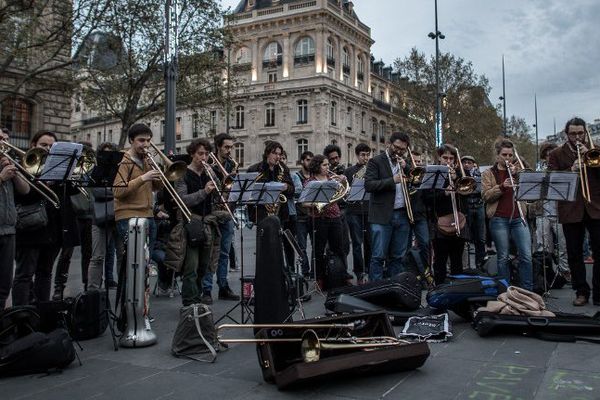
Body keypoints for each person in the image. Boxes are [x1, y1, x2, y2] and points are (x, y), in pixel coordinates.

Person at [13, 131, 80, 305]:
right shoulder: (24, 164)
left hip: (54, 228)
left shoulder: (60, 166)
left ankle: (42, 313)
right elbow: (23, 197)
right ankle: (21, 315)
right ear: (33, 145)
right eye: (44, 145)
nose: (48, 149)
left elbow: (72, 193)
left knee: (45, 272)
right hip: (32, 227)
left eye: (51, 146)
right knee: (25, 274)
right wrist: (43, 181)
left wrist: (71, 176)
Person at [548, 117, 600, 306]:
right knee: (574, 253)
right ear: (566, 134)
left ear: (585, 132)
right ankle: (581, 291)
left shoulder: (596, 149)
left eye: (580, 133)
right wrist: (571, 169)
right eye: (573, 133)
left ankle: (599, 293)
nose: (577, 137)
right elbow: (552, 178)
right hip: (570, 208)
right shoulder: (556, 153)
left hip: (595, 207)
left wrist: (592, 160)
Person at [112, 124, 162, 288]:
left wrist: (158, 176)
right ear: (131, 140)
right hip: (128, 216)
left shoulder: (146, 160)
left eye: (148, 140)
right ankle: (129, 307)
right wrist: (144, 178)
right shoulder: (123, 161)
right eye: (141, 140)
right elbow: (118, 191)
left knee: (145, 263)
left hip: (148, 214)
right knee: (134, 263)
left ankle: (142, 308)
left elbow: (155, 188)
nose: (146, 145)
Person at [482, 137, 533, 290]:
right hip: (499, 219)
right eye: (504, 155)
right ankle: (504, 291)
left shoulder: (519, 171)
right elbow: (486, 196)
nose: (508, 158)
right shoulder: (489, 173)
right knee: (503, 257)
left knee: (526, 255)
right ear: (497, 155)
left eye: (510, 155)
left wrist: (520, 174)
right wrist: (502, 186)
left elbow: (531, 187)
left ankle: (527, 291)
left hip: (519, 217)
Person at [175, 139, 221, 306]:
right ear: (192, 154)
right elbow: (183, 200)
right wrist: (204, 191)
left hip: (208, 223)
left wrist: (216, 180)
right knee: (191, 267)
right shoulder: (183, 174)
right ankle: (189, 302)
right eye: (200, 153)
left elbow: (219, 195)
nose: (204, 157)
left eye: (207, 154)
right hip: (191, 223)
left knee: (204, 266)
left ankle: (198, 296)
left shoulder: (209, 172)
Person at [364, 132, 412, 281]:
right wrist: (393, 180)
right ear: (389, 144)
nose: (398, 151)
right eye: (396, 147)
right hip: (382, 215)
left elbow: (416, 182)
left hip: (402, 214)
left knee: (398, 256)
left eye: (402, 150)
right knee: (378, 256)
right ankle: (376, 290)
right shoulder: (375, 161)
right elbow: (369, 185)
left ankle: (395, 289)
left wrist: (407, 168)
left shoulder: (405, 164)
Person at [201, 133, 239, 303]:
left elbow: (234, 189)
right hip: (211, 211)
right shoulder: (208, 163)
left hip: (226, 210)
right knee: (210, 252)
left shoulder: (231, 164)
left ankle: (223, 286)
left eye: (231, 147)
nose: (229, 150)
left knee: (224, 252)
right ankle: (206, 289)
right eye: (226, 147)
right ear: (218, 146)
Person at [424, 145, 469, 284]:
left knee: (457, 260)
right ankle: (440, 289)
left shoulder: (460, 174)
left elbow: (468, 195)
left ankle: (457, 290)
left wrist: (456, 179)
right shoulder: (433, 174)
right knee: (440, 260)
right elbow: (426, 198)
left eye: (451, 158)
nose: (448, 161)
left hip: (458, 222)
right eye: (445, 158)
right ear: (439, 158)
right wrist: (443, 193)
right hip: (440, 223)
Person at [303, 155, 348, 288]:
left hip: (335, 216)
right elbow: (304, 202)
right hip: (318, 218)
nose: (328, 167)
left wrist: (344, 182)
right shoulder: (310, 182)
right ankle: (319, 278)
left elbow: (344, 193)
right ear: (317, 166)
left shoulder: (332, 179)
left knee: (339, 248)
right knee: (319, 250)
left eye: (328, 165)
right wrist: (318, 204)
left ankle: (342, 276)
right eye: (325, 165)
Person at [0, 127, 30, 309]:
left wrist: (14, 173)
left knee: (4, 287)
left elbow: (25, 191)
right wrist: (1, 178)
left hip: (9, 230)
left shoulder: (6, 162)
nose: (4, 141)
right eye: (0, 138)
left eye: (5, 138)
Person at [533, 143, 569, 281]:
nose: (549, 157)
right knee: (543, 245)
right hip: (542, 211)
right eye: (547, 155)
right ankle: (546, 273)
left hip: (560, 211)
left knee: (562, 245)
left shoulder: (561, 168)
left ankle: (564, 271)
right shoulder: (539, 169)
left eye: (552, 154)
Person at [88, 142, 120, 290]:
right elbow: (96, 192)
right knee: (97, 257)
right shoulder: (96, 170)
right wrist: (117, 193)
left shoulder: (121, 170)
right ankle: (93, 291)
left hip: (119, 215)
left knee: (122, 256)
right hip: (100, 218)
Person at [246, 141, 295, 224]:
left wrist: (287, 187)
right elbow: (248, 192)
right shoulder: (254, 169)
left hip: (280, 211)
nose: (278, 157)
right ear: (267, 153)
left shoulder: (283, 168)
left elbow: (292, 190)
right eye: (275, 153)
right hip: (261, 212)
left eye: (279, 154)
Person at [343, 143, 371, 283]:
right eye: (362, 155)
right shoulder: (349, 171)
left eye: (367, 155)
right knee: (356, 244)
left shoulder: (372, 169)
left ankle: (370, 271)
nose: (365, 158)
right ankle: (359, 272)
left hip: (369, 210)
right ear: (357, 155)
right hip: (353, 211)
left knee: (369, 243)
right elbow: (345, 193)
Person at [461, 154, 487, 270]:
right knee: (466, 236)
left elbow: (482, 189)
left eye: (469, 162)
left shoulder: (480, 174)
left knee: (480, 236)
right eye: (464, 162)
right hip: (466, 207)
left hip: (479, 206)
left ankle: (480, 263)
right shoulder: (460, 174)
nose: (466, 164)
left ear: (473, 164)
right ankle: (466, 266)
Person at [294, 150, 313, 277]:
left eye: (311, 160)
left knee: (316, 245)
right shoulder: (296, 176)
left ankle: (314, 272)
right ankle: (305, 271)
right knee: (302, 247)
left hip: (313, 215)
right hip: (300, 216)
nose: (310, 162)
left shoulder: (314, 176)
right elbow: (297, 194)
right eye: (307, 160)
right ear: (302, 161)